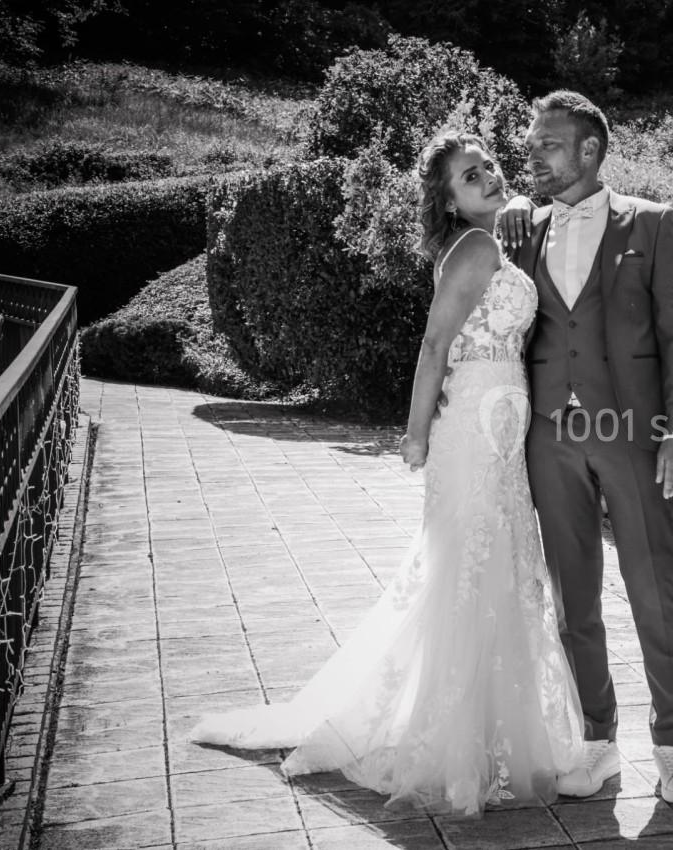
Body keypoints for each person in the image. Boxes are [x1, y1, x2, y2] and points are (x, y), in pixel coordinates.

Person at [188, 132, 584, 817]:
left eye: (488, 165)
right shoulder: (479, 248)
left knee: (495, 572)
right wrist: (417, 433)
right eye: (470, 175)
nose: (488, 176)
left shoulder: (485, 240)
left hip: (498, 436)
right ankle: (455, 748)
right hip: (471, 438)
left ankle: (491, 740)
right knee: (468, 574)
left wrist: (517, 199)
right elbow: (434, 343)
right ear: (450, 198)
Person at [499, 90, 673, 804]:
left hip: (632, 435)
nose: (534, 158)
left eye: (547, 146)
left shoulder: (651, 224)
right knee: (573, 597)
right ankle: (597, 741)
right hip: (550, 435)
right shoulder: (522, 228)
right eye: (532, 146)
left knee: (654, 586)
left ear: (589, 150)